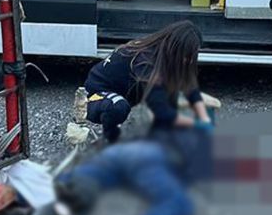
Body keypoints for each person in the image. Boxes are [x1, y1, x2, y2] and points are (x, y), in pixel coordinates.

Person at [50, 125, 213, 215]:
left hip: (129, 152)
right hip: (151, 157)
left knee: (90, 176)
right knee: (180, 204)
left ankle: (64, 184)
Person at [83, 20, 212, 143]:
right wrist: (197, 124)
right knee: (118, 106)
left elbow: (189, 85)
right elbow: (161, 111)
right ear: (177, 50)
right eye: (188, 56)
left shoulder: (162, 51)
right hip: (95, 96)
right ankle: (110, 139)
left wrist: (203, 116)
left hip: (119, 92)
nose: (189, 60)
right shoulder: (146, 63)